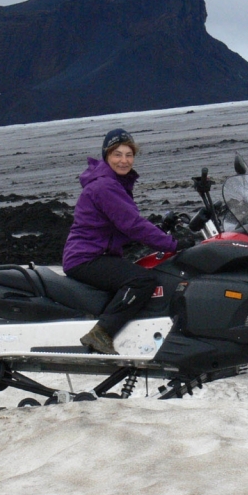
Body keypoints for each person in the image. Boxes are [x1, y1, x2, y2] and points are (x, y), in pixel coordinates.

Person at [62, 128, 178, 355]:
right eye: (117, 154)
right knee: (143, 280)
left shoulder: (111, 182)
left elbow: (119, 225)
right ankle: (101, 333)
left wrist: (159, 232)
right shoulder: (106, 185)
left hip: (94, 253)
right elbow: (132, 224)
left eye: (129, 155)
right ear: (106, 156)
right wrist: (173, 244)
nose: (124, 161)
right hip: (86, 258)